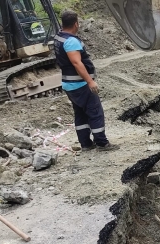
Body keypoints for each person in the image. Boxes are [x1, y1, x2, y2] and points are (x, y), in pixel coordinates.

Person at [54, 10, 119, 152]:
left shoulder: (59, 37)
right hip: (80, 84)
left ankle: (85, 144)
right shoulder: (71, 41)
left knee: (80, 113)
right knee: (95, 112)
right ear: (76, 24)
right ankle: (102, 143)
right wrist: (90, 81)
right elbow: (77, 63)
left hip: (69, 85)